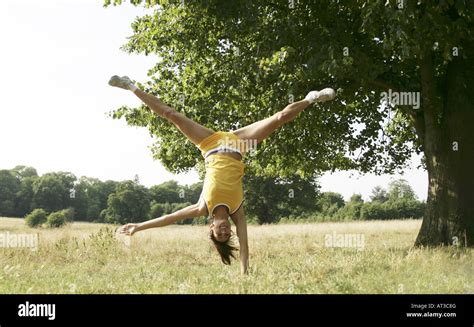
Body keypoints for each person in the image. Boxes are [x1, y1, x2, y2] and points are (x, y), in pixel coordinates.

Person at [109, 75, 335, 274]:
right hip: (239, 144)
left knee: (172, 115)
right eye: (228, 234)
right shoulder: (238, 212)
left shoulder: (202, 207)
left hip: (209, 143)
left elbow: (168, 218)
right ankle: (311, 98)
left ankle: (131, 86)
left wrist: (138, 226)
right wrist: (244, 273)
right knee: (279, 119)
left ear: (211, 228)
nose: (226, 231)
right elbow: (245, 246)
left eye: (220, 233)